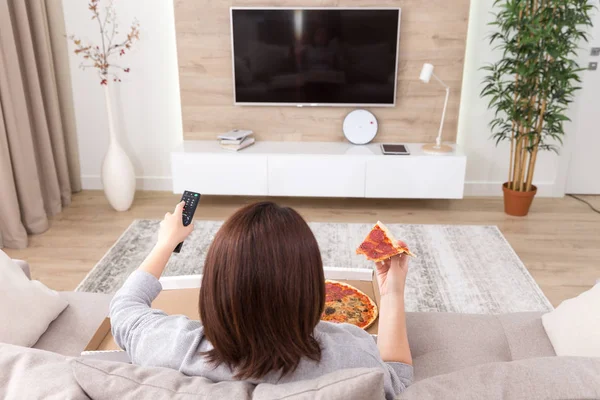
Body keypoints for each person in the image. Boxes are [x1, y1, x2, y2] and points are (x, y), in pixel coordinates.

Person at [110, 201, 413, 399]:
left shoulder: (171, 347)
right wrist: (392, 291)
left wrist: (166, 243)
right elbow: (397, 377)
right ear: (311, 292)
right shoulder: (352, 354)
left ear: (214, 288)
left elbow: (124, 308)